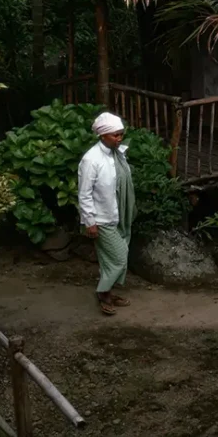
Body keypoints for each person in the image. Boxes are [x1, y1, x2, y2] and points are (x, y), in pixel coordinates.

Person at [78, 112, 137, 316]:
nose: (119, 138)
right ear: (103, 136)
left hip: (118, 214)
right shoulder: (91, 160)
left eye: (121, 134)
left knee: (108, 258)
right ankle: (103, 293)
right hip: (101, 219)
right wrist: (89, 222)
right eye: (115, 135)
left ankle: (109, 292)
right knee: (120, 256)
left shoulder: (116, 154)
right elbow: (84, 193)